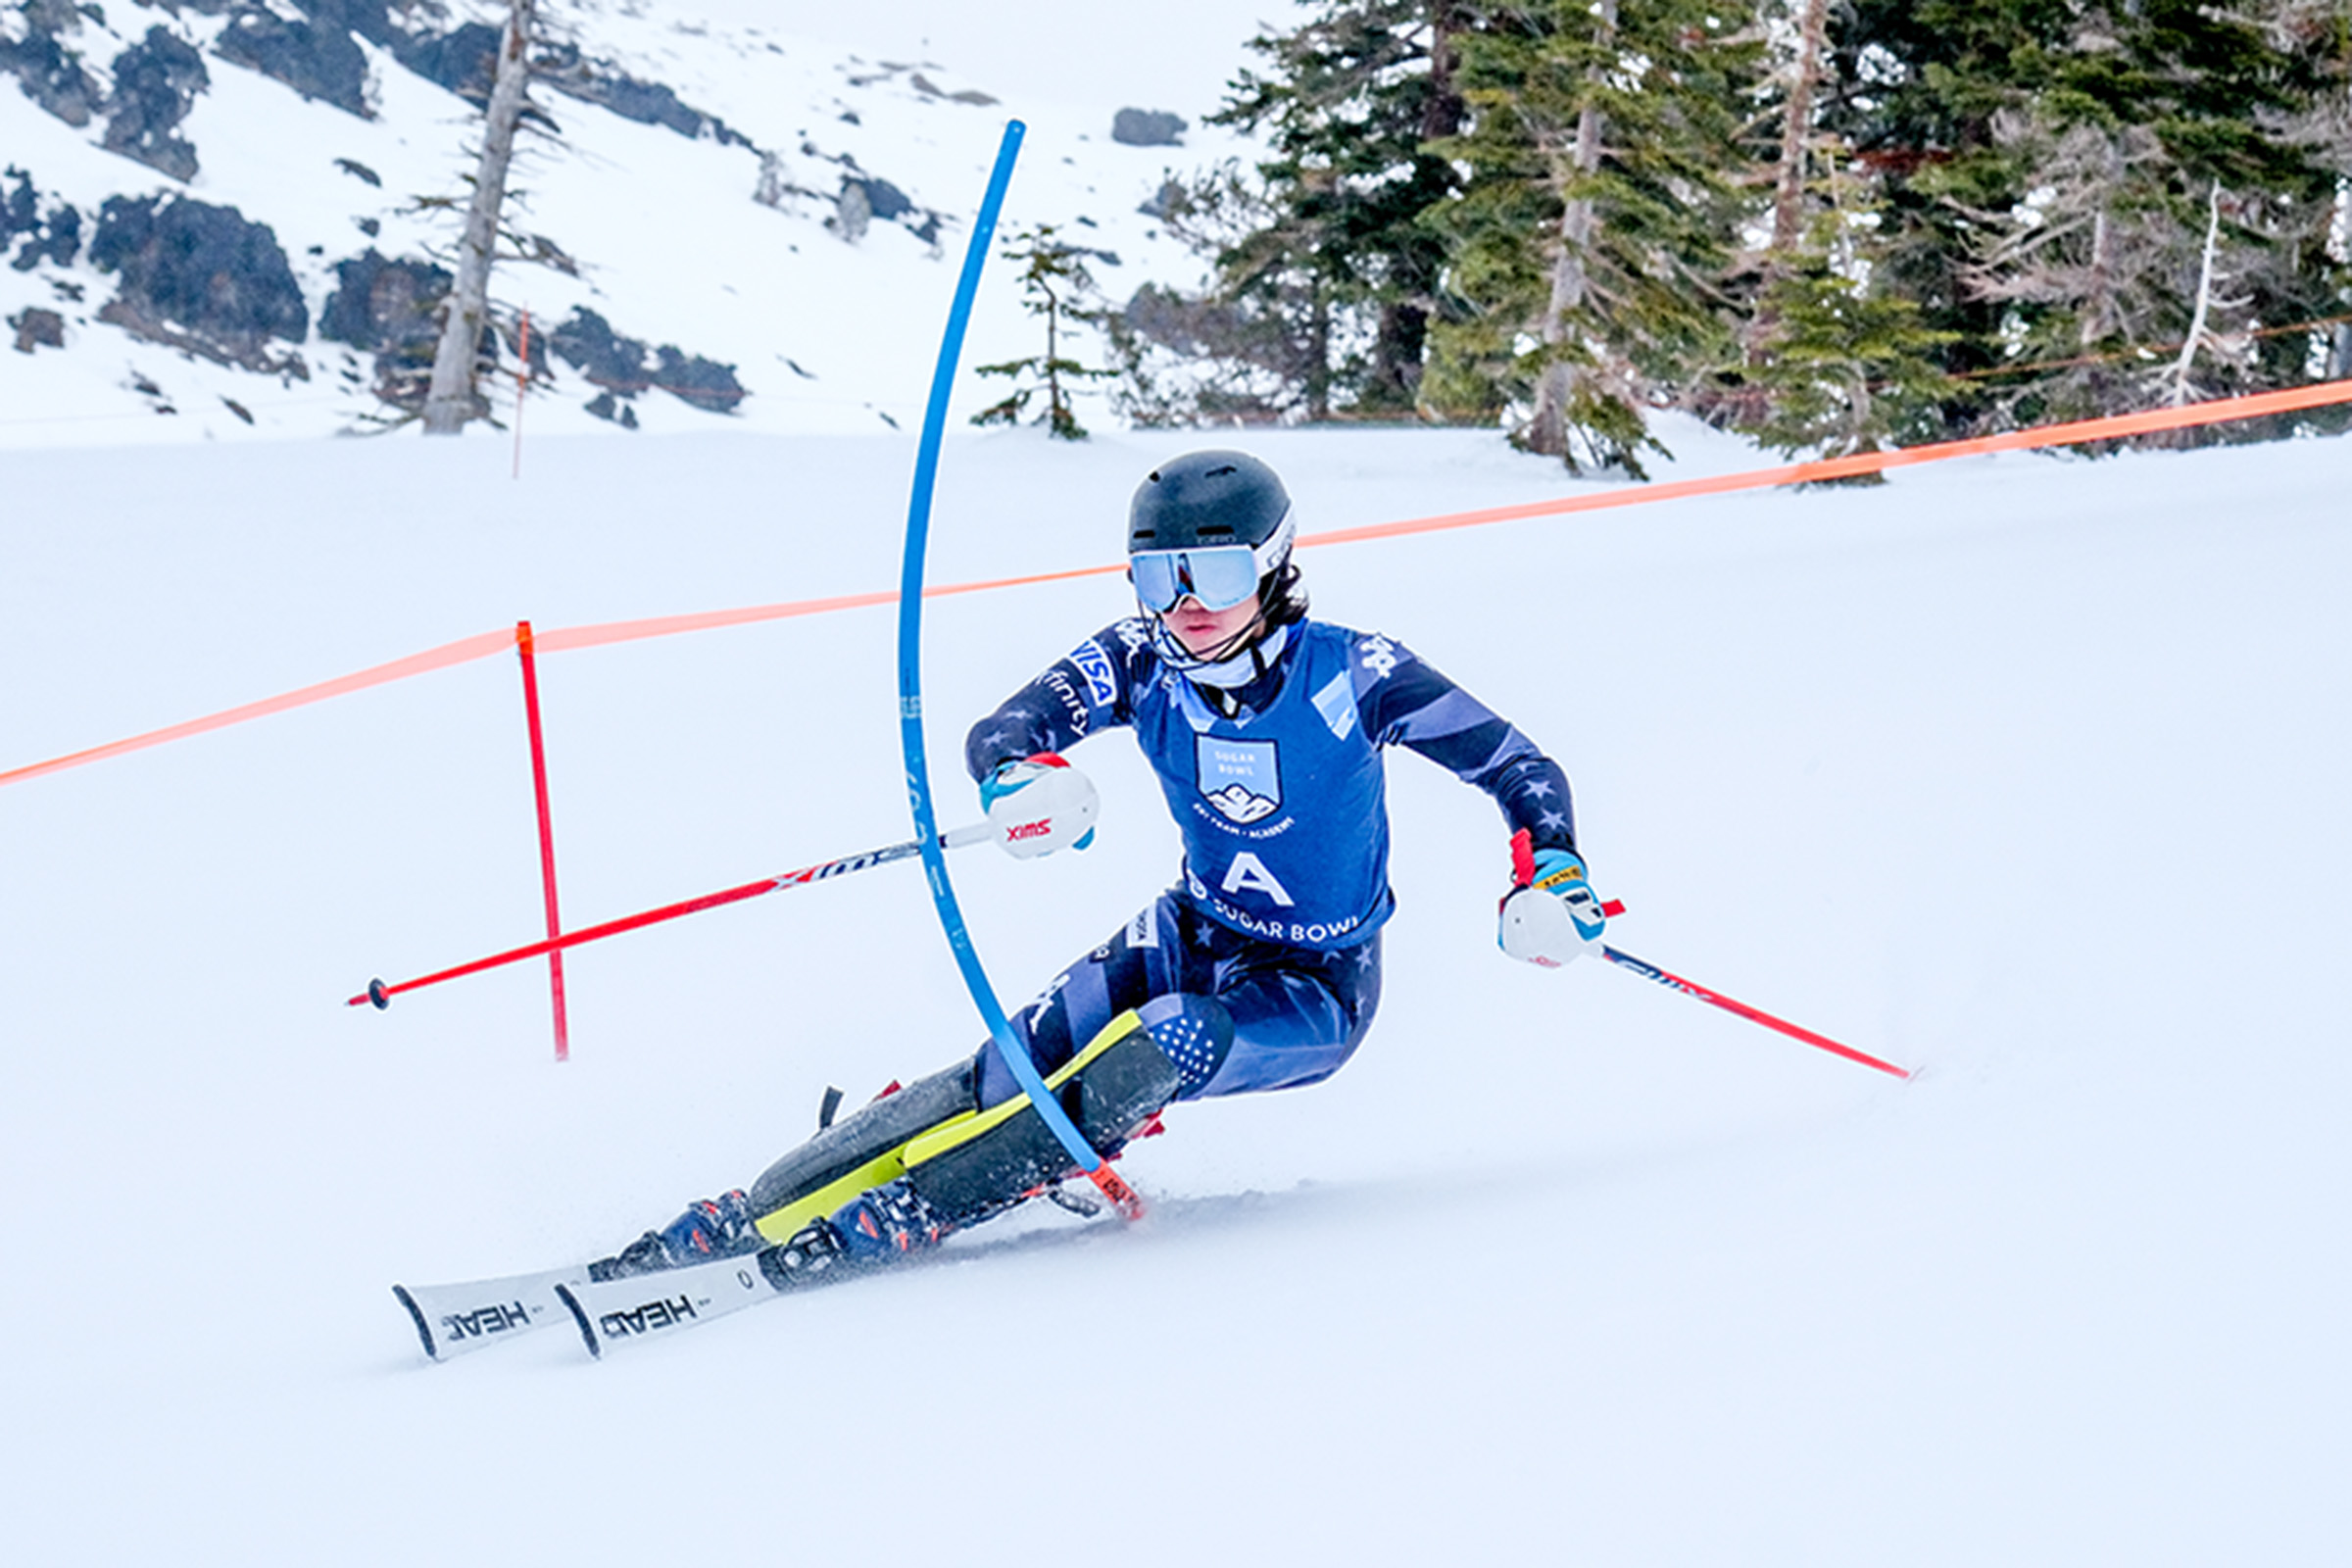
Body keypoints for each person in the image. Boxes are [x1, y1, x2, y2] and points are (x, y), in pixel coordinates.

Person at [590, 450, 1607, 1285]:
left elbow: (1519, 764)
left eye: (1214, 575)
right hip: (1190, 932)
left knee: (1176, 1037)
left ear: (1274, 564)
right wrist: (1016, 777)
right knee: (1003, 1067)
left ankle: (910, 1208)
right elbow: (1010, 724)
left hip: (1317, 988)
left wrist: (1549, 871)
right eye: (1160, 577)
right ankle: (749, 1208)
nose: (1187, 607)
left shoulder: (1355, 672)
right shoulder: (1142, 659)